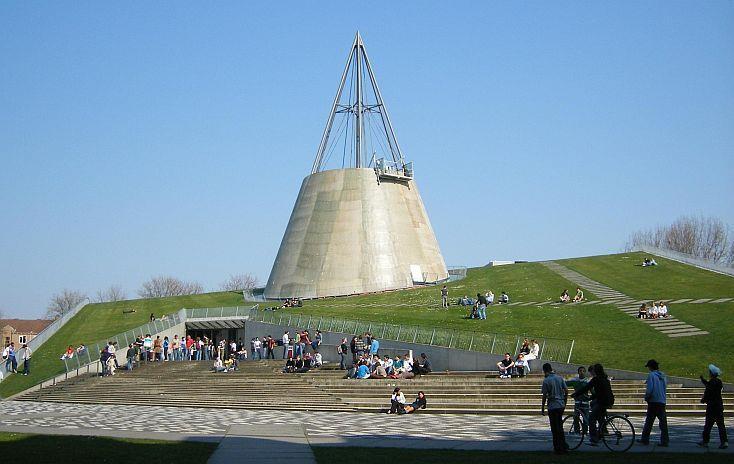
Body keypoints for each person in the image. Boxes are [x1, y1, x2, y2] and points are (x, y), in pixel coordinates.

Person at [572, 363, 614, 446]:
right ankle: (602, 432)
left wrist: (576, 394)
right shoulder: (604, 378)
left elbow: (586, 388)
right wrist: (590, 398)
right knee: (598, 414)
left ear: (596, 371)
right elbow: (599, 393)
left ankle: (594, 439)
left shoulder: (596, 379)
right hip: (608, 400)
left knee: (591, 418)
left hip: (602, 401)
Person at [639, 359, 669, 447]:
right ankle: (665, 441)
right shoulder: (663, 376)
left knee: (649, 421)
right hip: (662, 401)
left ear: (650, 367)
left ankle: (645, 439)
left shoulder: (651, 375)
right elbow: (665, 387)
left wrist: (646, 398)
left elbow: (650, 389)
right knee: (663, 423)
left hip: (653, 401)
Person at [698, 364, 728, 449]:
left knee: (708, 425)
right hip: (719, 406)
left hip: (711, 407)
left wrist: (703, 400)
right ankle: (724, 441)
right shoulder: (719, 382)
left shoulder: (711, 383)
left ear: (711, 374)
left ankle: (705, 441)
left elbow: (708, 392)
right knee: (721, 425)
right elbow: (710, 386)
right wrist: (703, 380)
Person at [541, 363, 569, 454]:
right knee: (560, 426)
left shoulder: (546, 380)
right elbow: (566, 390)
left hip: (552, 405)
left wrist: (542, 407)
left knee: (554, 427)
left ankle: (557, 447)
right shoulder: (560, 378)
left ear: (545, 371)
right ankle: (563, 445)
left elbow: (544, 395)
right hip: (560, 404)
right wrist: (565, 401)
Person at [566, 366, 591, 435]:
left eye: (583, 371)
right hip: (577, 402)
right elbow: (566, 383)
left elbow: (592, 391)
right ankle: (576, 430)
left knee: (585, 418)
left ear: (585, 372)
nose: (582, 372)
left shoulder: (587, 381)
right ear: (578, 372)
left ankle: (585, 431)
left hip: (585, 402)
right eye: (580, 371)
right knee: (576, 417)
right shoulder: (575, 381)